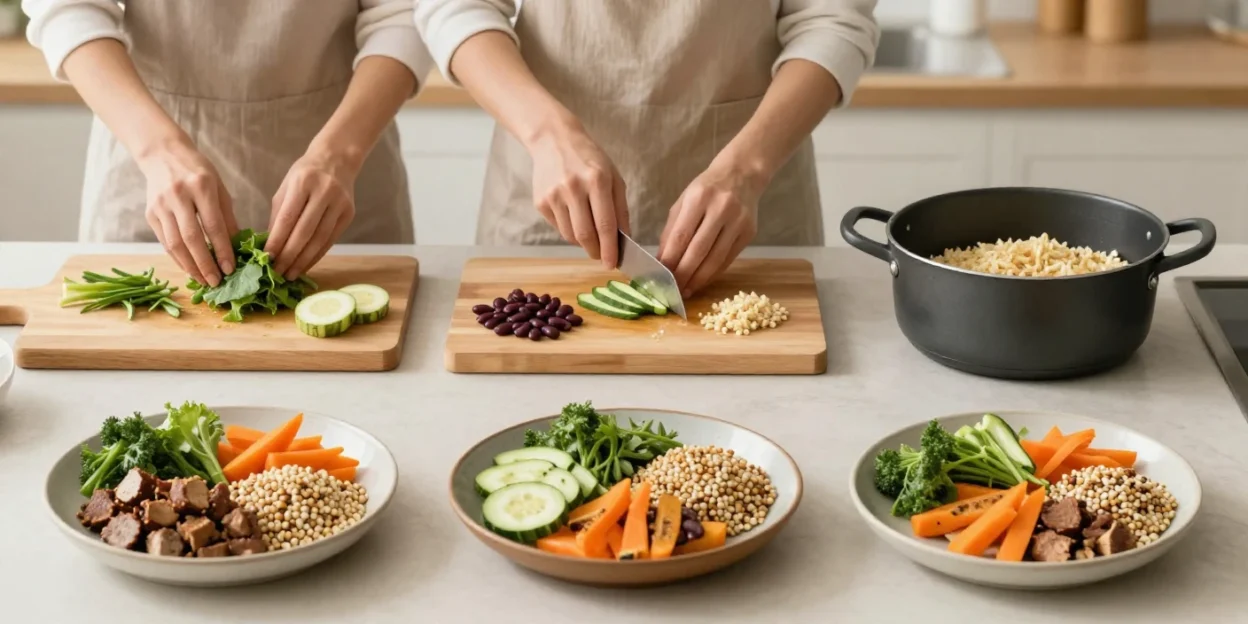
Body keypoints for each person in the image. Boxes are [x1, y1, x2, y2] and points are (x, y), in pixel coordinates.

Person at [416, 0, 878, 295]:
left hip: (754, 193)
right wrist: (546, 134)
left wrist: (746, 169)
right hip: (543, 189)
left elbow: (833, 18)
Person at [22, 0, 433, 287]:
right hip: (145, 155)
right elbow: (67, 7)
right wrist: (158, 150)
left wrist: (340, 153)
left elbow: (403, 14)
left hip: (345, 153)